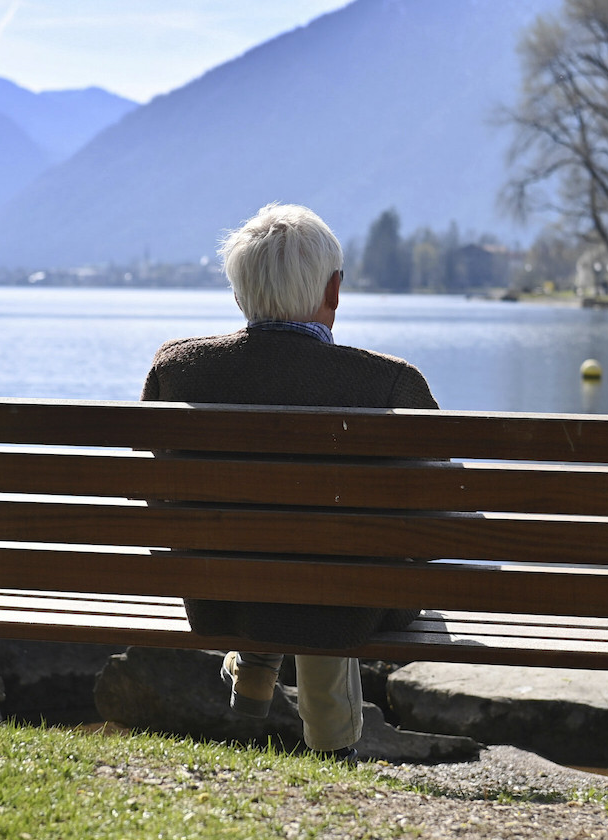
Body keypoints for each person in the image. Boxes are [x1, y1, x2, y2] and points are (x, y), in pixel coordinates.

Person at [140, 203, 439, 759]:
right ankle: (332, 746)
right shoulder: (389, 383)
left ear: (238, 294)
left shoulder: (178, 370)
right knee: (344, 565)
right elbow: (439, 512)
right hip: (351, 606)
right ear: (335, 291)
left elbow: (160, 495)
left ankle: (254, 675)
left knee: (275, 547)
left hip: (223, 599)